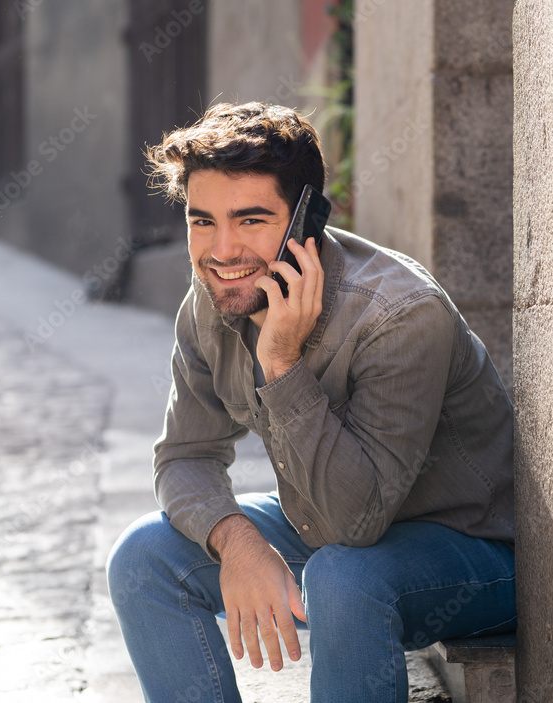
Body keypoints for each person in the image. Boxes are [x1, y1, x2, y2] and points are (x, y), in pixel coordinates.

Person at [106, 102, 516, 703]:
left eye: (250, 220)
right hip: (328, 526)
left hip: (474, 553)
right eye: (202, 221)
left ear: (306, 220)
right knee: (144, 556)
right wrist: (239, 544)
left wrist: (281, 363)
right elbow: (184, 456)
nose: (221, 251)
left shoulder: (400, 317)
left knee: (342, 577)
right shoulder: (216, 295)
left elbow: (355, 524)